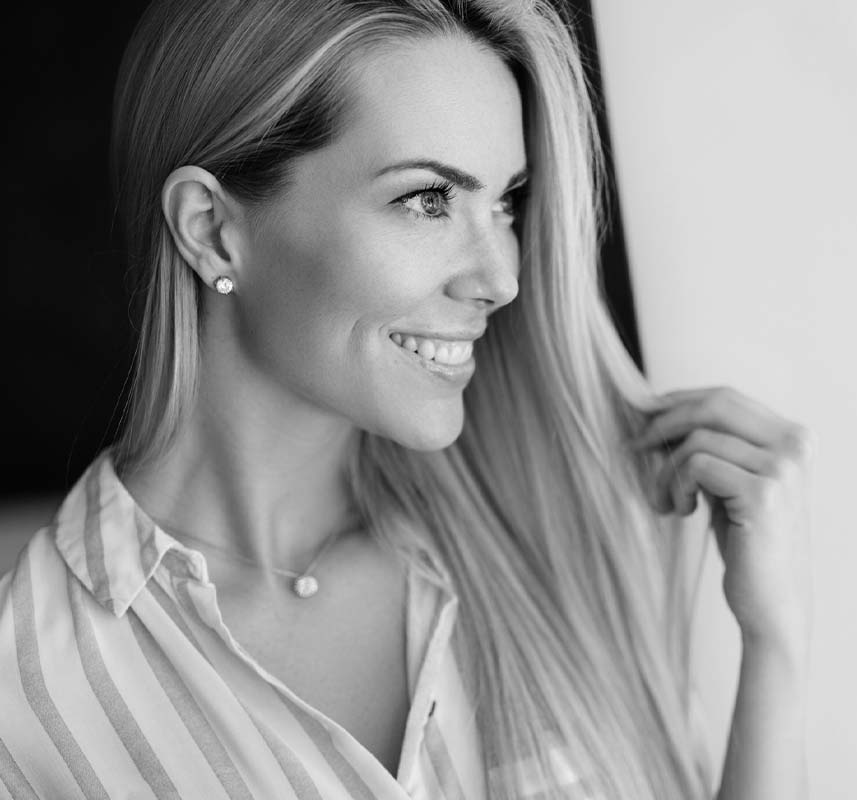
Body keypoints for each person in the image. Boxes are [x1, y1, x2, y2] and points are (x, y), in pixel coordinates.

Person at [0, 0, 812, 798]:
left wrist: (773, 644)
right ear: (211, 228)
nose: (501, 280)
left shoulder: (567, 539)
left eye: (505, 203)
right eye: (427, 200)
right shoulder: (22, 702)